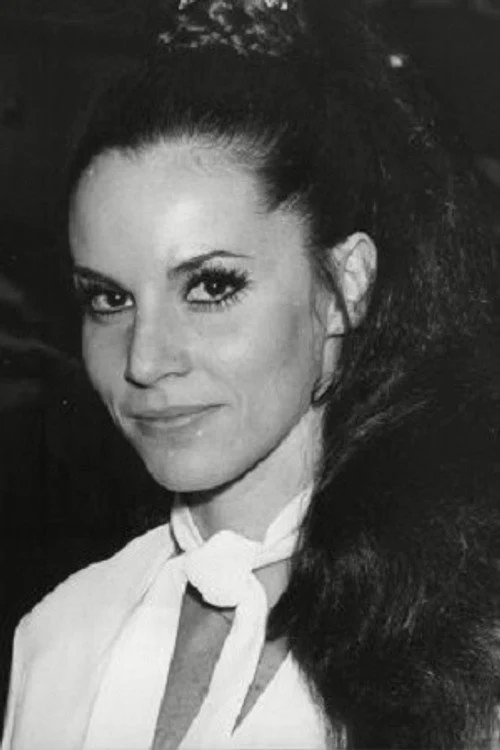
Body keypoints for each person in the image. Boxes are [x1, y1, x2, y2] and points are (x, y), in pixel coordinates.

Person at [2, 0, 499, 748]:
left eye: (210, 286)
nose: (143, 360)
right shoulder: (60, 638)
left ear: (347, 284)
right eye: (109, 299)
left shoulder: (473, 651)